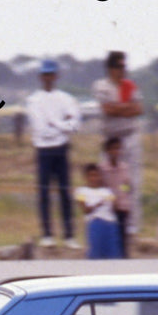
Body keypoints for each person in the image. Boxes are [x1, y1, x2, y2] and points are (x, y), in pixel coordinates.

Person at [25, 59, 81, 248]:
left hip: (61, 148)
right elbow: (40, 129)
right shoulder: (34, 100)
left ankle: (68, 235)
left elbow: (74, 125)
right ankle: (47, 234)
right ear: (41, 77)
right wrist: (61, 125)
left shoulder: (66, 99)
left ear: (56, 76)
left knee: (65, 192)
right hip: (43, 150)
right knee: (44, 192)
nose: (48, 78)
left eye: (51, 74)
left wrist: (55, 124)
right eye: (45, 75)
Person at [92, 50, 144, 241]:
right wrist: (125, 107)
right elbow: (108, 109)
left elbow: (138, 109)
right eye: (119, 67)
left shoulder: (130, 86)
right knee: (106, 181)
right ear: (110, 68)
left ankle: (132, 226)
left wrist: (119, 107)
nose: (122, 70)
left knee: (131, 183)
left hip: (129, 137)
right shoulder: (101, 86)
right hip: (110, 138)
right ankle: (109, 222)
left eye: (124, 66)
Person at [75, 163, 122, 259]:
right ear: (86, 177)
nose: (94, 178)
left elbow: (114, 207)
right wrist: (98, 204)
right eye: (91, 176)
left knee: (113, 254)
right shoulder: (81, 191)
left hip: (110, 224)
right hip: (95, 223)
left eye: (96, 175)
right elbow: (85, 210)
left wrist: (116, 200)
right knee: (96, 253)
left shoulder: (106, 191)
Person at [100, 136, 132, 254]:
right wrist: (110, 199)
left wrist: (124, 198)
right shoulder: (103, 169)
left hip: (122, 207)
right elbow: (102, 187)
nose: (116, 152)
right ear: (107, 151)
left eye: (118, 149)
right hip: (108, 209)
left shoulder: (124, 167)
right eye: (113, 149)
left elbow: (126, 186)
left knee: (122, 238)